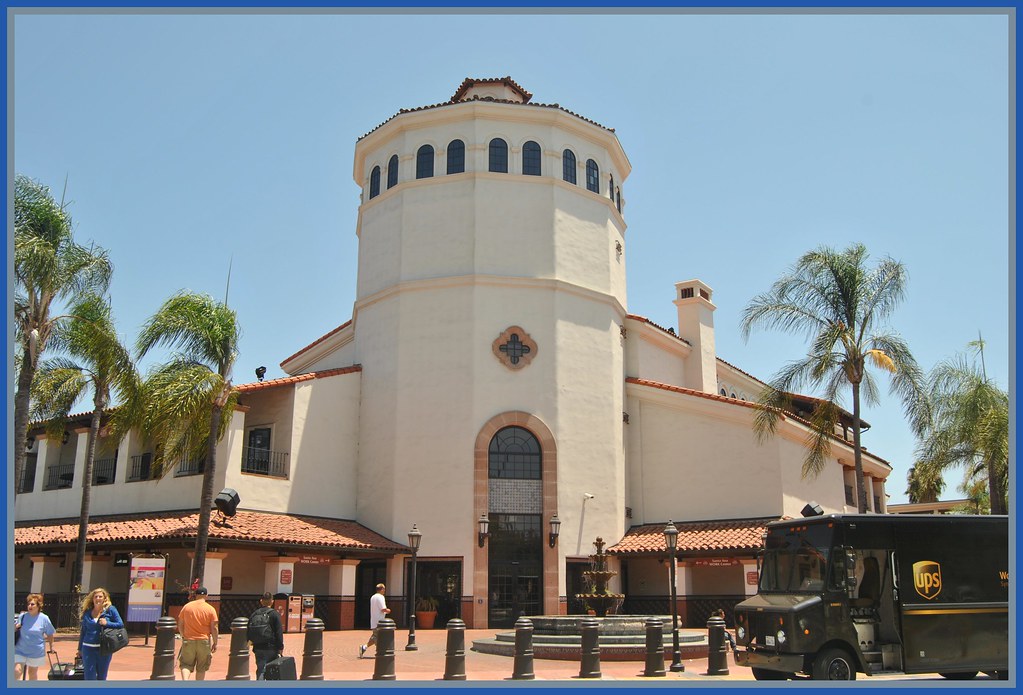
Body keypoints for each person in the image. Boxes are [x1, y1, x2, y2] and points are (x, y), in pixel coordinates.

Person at [77, 587, 124, 680]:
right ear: (92, 599)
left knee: (102, 676)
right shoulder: (87, 612)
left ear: (104, 598)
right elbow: (83, 631)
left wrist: (107, 623)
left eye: (100, 596)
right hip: (88, 648)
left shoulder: (110, 610)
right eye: (96, 597)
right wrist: (79, 649)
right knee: (89, 676)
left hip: (104, 649)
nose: (98, 598)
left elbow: (120, 624)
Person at [176, 586, 219, 680]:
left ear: (195, 595)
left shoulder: (187, 607)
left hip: (188, 640)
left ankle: (185, 683)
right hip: (204, 641)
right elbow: (214, 628)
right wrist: (215, 643)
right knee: (201, 667)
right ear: (206, 596)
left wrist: (183, 635)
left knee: (186, 664)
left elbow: (180, 624)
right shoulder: (210, 609)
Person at [14, 594, 56, 680]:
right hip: (20, 649)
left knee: (32, 673)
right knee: (17, 671)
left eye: (32, 604)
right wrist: (15, 627)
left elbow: (50, 633)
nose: (30, 606)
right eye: (29, 604)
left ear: (38, 606)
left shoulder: (44, 618)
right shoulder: (23, 616)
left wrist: (52, 646)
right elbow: (14, 630)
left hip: (36, 651)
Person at [247, 592, 284, 680]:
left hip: (258, 647)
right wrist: (280, 647)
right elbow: (279, 632)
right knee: (271, 670)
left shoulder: (254, 614)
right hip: (271, 647)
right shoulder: (275, 614)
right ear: (272, 601)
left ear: (261, 601)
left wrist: (250, 643)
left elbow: (249, 630)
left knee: (261, 669)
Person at [359, 583, 390, 658]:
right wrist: (388, 610)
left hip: (374, 620)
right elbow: (383, 609)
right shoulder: (381, 597)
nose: (384, 590)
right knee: (380, 637)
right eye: (384, 589)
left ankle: (364, 647)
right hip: (380, 621)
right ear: (381, 589)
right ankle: (381, 651)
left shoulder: (373, 597)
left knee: (375, 636)